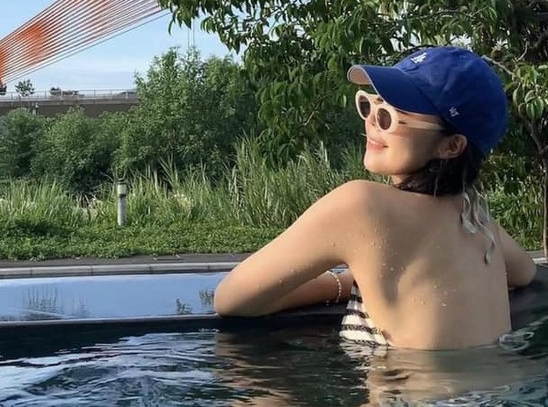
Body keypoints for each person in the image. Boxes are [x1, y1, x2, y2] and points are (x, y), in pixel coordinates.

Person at [214, 46, 538, 350]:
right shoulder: (475, 217)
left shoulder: (362, 205)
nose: (371, 120)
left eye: (390, 116)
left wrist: (341, 284)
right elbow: (525, 272)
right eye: (371, 104)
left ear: (451, 146)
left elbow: (231, 299)